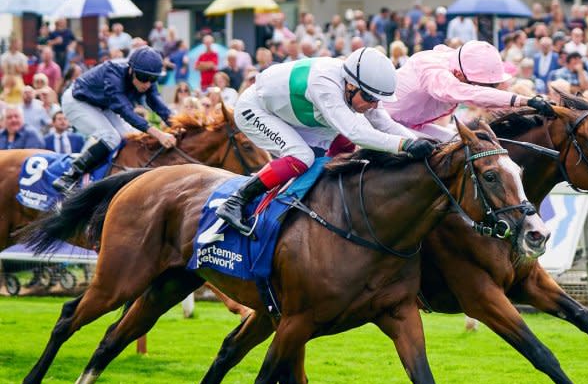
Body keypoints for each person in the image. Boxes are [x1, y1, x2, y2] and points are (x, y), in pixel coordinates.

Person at [215, 47, 428, 235]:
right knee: (301, 158)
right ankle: (236, 201)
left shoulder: (356, 84)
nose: (373, 105)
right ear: (351, 86)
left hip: (293, 114)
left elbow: (384, 124)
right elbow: (356, 132)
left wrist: (424, 144)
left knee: (343, 144)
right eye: (370, 98)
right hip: (256, 110)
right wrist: (404, 145)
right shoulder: (325, 84)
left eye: (377, 99)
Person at [51, 46, 176, 193]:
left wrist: (177, 124)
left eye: (153, 79)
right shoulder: (113, 74)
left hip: (102, 105)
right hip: (77, 101)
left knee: (130, 137)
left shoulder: (145, 77)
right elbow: (126, 112)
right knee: (111, 137)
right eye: (143, 78)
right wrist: (160, 134)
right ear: (131, 70)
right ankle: (69, 176)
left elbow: (158, 104)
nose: (147, 84)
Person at [383, 41, 554, 141]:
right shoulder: (436, 73)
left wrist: (533, 105)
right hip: (379, 123)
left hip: (410, 124)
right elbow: (472, 94)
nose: (485, 89)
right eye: (481, 84)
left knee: (461, 142)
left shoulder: (456, 63)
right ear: (459, 74)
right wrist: (526, 100)